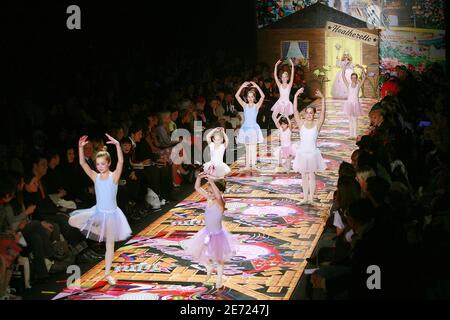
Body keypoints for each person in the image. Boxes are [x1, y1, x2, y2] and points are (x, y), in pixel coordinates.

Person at [69, 134, 132, 286]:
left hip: (111, 215)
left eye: (103, 164)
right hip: (98, 212)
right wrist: (80, 148)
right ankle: (95, 233)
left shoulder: (114, 177)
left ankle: (107, 273)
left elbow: (121, 162)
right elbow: (83, 164)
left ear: (108, 163)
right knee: (72, 220)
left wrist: (117, 145)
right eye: (98, 164)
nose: (100, 167)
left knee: (110, 245)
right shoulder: (95, 177)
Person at [181, 173, 235, 289]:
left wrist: (211, 181)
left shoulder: (221, 202)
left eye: (212, 192)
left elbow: (218, 196)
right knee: (197, 252)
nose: (209, 194)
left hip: (218, 236)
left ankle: (219, 279)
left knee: (219, 259)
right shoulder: (210, 198)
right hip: (206, 233)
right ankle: (209, 266)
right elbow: (197, 188)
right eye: (208, 192)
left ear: (219, 192)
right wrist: (199, 178)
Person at [293, 88, 327, 204]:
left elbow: (323, 114)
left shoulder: (317, 125)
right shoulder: (301, 123)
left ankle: (311, 198)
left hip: (312, 153)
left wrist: (323, 99)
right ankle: (305, 198)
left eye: (311, 113)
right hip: (302, 153)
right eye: (307, 112)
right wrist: (296, 96)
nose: (308, 115)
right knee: (303, 176)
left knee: (311, 176)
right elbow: (295, 111)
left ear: (313, 114)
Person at [235, 81, 265, 172]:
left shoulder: (256, 106)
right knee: (247, 148)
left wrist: (257, 87)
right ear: (247, 98)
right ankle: (247, 166)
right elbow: (237, 96)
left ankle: (254, 165)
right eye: (249, 96)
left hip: (254, 128)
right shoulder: (245, 105)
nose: (250, 98)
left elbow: (263, 96)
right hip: (246, 128)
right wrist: (242, 86)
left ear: (254, 98)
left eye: (252, 96)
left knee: (253, 147)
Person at [342, 65, 366, 139]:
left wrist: (361, 68)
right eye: (352, 78)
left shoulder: (358, 85)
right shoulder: (348, 85)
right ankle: (350, 134)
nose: (353, 79)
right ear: (351, 78)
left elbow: (364, 77)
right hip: (349, 104)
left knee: (355, 119)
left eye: (355, 78)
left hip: (355, 104)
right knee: (350, 120)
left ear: (356, 78)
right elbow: (343, 76)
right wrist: (344, 67)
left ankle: (355, 134)